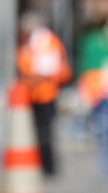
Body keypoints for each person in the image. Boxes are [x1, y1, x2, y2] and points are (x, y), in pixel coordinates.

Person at [17, 13, 72, 177]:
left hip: (44, 95)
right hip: (32, 94)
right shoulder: (31, 43)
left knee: (44, 133)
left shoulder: (45, 42)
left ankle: (47, 167)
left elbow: (47, 69)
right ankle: (39, 164)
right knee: (35, 132)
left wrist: (29, 79)